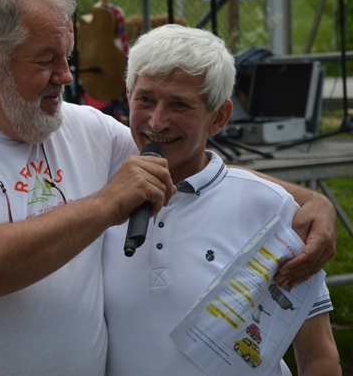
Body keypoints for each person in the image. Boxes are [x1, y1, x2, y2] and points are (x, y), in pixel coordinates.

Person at [0, 0, 336, 375]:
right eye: (46, 60)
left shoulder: (80, 126)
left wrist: (308, 201)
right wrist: (107, 204)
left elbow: (185, 159)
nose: (66, 76)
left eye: (67, 57)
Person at [102, 24, 341, 375]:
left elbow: (318, 355)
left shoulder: (272, 208)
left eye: (179, 104)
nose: (157, 121)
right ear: (128, 96)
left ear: (219, 117)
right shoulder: (98, 201)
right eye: (145, 99)